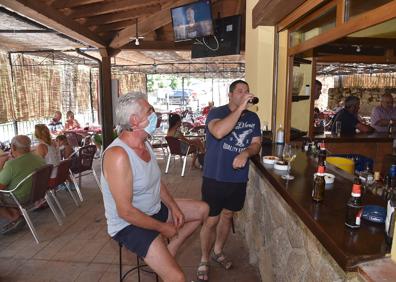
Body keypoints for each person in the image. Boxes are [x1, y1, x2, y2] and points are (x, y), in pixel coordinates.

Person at [101, 92, 209, 282]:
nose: (155, 115)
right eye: (149, 110)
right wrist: (163, 228)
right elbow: (125, 212)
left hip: (153, 209)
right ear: (134, 120)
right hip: (129, 224)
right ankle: (165, 263)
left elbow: (156, 182)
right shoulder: (118, 155)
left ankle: (168, 252)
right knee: (177, 277)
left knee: (203, 210)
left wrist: (174, 207)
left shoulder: (144, 143)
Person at [197, 80, 261, 281]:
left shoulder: (253, 118)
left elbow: (256, 144)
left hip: (237, 179)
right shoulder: (217, 113)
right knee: (211, 220)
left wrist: (246, 153)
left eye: (246, 91)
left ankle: (217, 251)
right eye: (240, 91)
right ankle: (204, 259)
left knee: (227, 216)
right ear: (231, 95)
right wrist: (241, 108)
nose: (244, 94)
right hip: (215, 176)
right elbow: (219, 132)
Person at [0, 135, 45, 234]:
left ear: (14, 148)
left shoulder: (11, 165)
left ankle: (15, 217)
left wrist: (2, 164)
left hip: (18, 198)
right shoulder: (38, 158)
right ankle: (15, 214)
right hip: (37, 195)